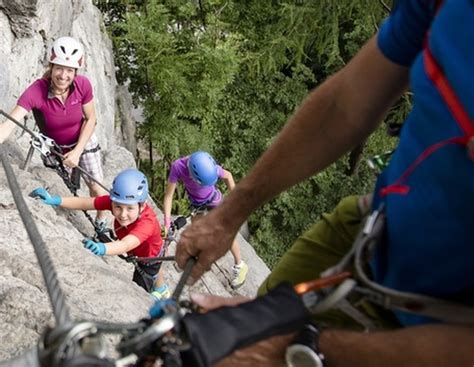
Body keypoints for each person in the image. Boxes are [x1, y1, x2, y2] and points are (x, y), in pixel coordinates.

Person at [173, 0, 474, 365]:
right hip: (367, 236)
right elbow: (346, 104)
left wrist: (300, 348)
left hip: (439, 328)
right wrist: (225, 218)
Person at [0, 36, 107, 226]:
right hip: (54, 147)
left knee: (96, 188)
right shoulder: (36, 91)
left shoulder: (83, 85)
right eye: (59, 68)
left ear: (75, 72)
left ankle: (101, 219)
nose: (63, 75)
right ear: (51, 67)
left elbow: (91, 119)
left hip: (83, 140)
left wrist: (78, 151)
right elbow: (11, 122)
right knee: (63, 187)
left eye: (69, 70)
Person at [30, 168, 171, 300]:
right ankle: (162, 288)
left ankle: (158, 296)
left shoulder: (147, 224)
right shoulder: (116, 201)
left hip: (148, 259)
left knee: (141, 292)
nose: (122, 214)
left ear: (142, 205)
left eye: (130, 208)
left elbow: (125, 244)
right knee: (156, 271)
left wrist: (101, 248)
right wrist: (55, 200)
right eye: (118, 207)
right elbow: (85, 203)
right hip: (147, 252)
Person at [163, 150, 249, 289]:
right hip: (197, 204)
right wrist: (167, 223)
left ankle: (240, 265)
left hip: (214, 200)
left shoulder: (206, 163)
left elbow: (228, 176)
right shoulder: (178, 167)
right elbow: (168, 196)